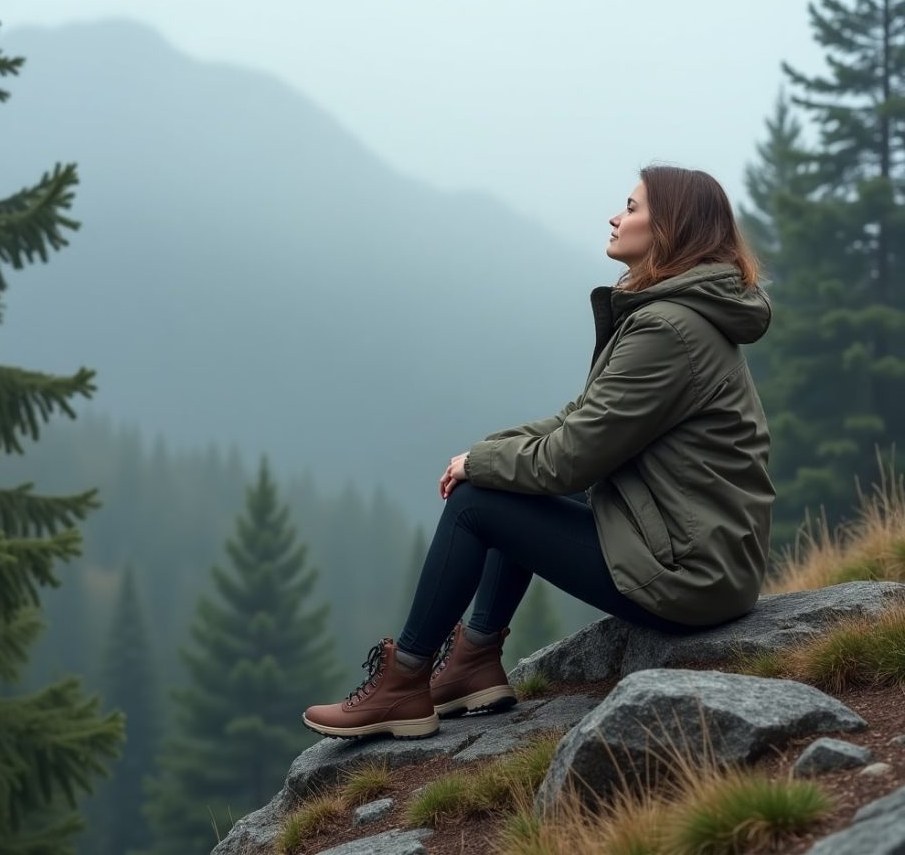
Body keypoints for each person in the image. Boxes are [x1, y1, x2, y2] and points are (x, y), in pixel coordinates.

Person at [303, 164, 775, 740]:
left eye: (631, 206)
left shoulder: (669, 331)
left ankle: (404, 684)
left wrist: (478, 467)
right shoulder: (673, 317)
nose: (614, 216)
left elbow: (570, 460)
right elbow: (583, 418)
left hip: (690, 574)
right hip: (701, 554)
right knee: (500, 480)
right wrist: (488, 450)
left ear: (671, 226)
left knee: (479, 502)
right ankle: (473, 662)